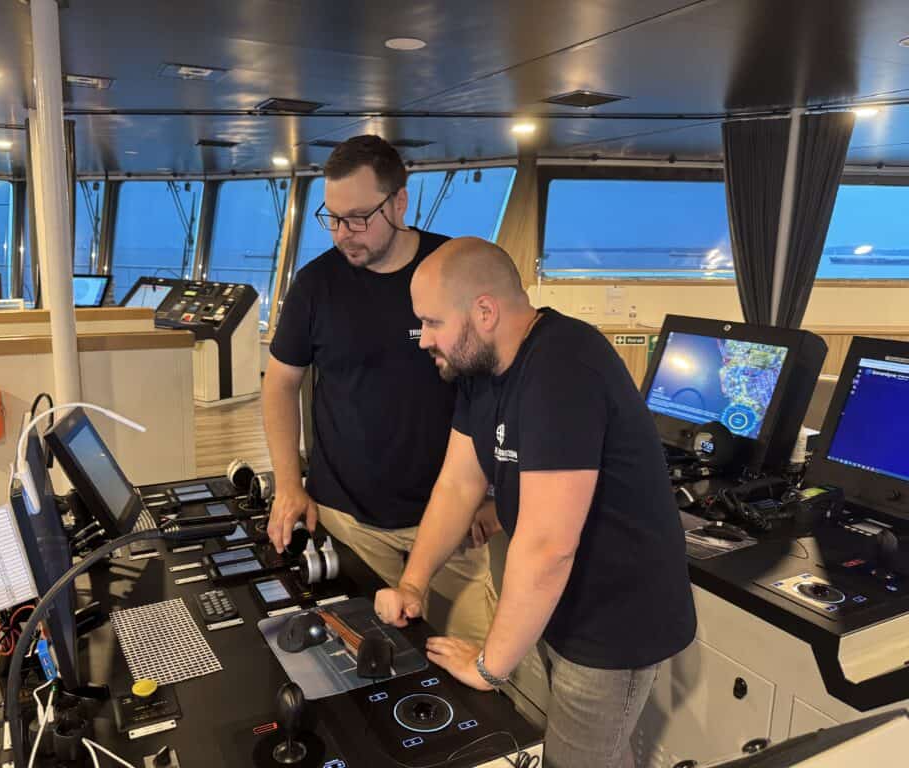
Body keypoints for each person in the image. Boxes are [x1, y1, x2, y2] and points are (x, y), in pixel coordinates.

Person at [375, 237, 696, 767]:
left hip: (614, 620)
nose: (421, 339)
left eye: (432, 322)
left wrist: (487, 668)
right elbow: (458, 485)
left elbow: (548, 548)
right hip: (561, 603)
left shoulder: (563, 366)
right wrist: (413, 582)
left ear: (483, 311)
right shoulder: (479, 371)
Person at [263, 136, 497, 645]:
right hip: (350, 519)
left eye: (359, 218)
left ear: (400, 202)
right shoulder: (315, 285)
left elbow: (497, 390)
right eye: (333, 217)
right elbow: (280, 386)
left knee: (478, 667)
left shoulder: (452, 272)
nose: (344, 234)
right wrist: (288, 484)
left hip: (453, 518)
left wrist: (494, 492)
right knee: (371, 665)